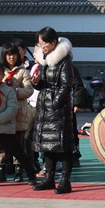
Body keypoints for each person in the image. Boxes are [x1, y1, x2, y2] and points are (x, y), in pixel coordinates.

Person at [31, 27, 76, 194]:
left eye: (45, 43)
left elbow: (66, 86)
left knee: (63, 146)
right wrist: (36, 82)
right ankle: (48, 179)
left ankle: (65, 181)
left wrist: (55, 104)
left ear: (54, 42)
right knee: (47, 145)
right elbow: (43, 83)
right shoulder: (44, 60)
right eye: (40, 43)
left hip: (58, 109)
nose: (42, 47)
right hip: (45, 107)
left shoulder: (64, 61)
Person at [0, 42, 34, 183]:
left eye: (14, 54)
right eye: (9, 54)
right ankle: (1, 170)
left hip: (18, 113)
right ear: (4, 55)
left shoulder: (23, 71)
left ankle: (18, 171)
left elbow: (29, 90)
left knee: (19, 143)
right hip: (2, 112)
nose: (11, 57)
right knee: (1, 142)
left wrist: (14, 92)